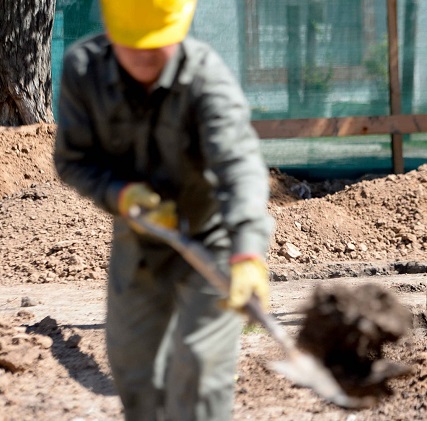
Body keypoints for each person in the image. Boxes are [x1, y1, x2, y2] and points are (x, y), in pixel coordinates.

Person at [54, 1, 274, 419]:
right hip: (139, 240)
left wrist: (247, 253)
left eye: (156, 47)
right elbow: (73, 160)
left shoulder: (206, 79)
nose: (144, 58)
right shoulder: (85, 71)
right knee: (136, 373)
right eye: (132, 46)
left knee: (199, 373)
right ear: (112, 32)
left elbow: (240, 168)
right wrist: (118, 194)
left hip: (213, 239)